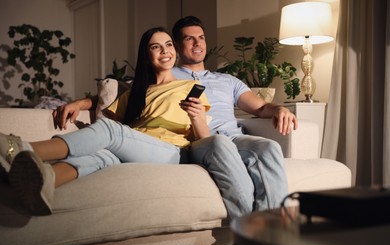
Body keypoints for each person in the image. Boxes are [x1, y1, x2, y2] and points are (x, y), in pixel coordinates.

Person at [0, 27, 210, 215]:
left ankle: (19, 149)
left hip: (172, 152)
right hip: (138, 148)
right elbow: (103, 112)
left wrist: (197, 117)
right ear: (147, 56)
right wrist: (80, 104)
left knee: (111, 131)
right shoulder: (135, 93)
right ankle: (45, 181)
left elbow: (205, 140)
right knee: (101, 155)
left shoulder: (188, 87)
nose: (165, 51)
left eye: (168, 44)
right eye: (156, 47)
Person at [170, 16, 298, 217]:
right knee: (221, 143)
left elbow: (261, 107)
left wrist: (279, 109)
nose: (197, 43)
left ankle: (273, 228)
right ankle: (248, 229)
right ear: (176, 45)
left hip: (234, 137)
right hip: (202, 140)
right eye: (189, 39)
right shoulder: (168, 77)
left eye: (201, 38)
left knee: (270, 146)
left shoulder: (227, 80)